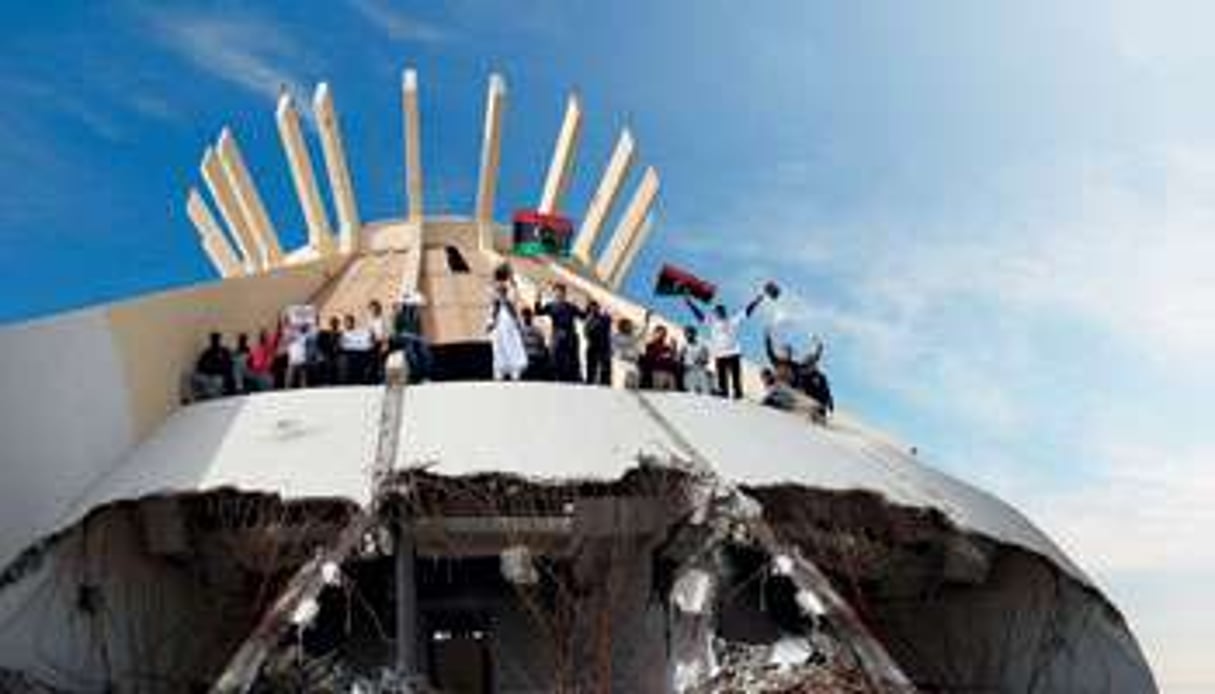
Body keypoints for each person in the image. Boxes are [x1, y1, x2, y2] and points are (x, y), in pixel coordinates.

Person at [684, 289, 767, 399]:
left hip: (733, 353)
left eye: (722, 312)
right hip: (720, 354)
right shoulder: (712, 323)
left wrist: (757, 300)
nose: (720, 314)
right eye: (717, 312)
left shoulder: (732, 321)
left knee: (736, 378)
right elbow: (699, 315)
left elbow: (747, 311)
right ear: (715, 314)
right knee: (722, 380)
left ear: (725, 312)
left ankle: (738, 394)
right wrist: (690, 304)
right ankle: (724, 395)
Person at [534, 282, 585, 383]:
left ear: (564, 294)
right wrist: (538, 298)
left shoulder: (570, 306)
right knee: (555, 358)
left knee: (570, 361)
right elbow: (538, 312)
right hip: (557, 336)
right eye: (557, 293)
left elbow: (583, 316)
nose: (559, 295)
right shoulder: (551, 306)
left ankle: (571, 379)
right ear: (554, 293)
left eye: (561, 293)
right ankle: (555, 378)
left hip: (569, 337)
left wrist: (583, 304)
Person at [488, 263, 528, 381]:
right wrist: (490, 322)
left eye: (502, 289)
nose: (500, 289)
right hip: (499, 324)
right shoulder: (494, 297)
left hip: (510, 323)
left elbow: (514, 294)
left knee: (512, 345)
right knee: (498, 346)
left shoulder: (510, 296)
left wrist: (511, 277)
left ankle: (515, 370)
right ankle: (500, 370)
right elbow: (492, 309)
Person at [392, 292, 432, 384]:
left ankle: (425, 375)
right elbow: (397, 332)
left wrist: (421, 338)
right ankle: (415, 376)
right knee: (411, 352)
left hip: (416, 338)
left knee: (425, 352)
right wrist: (406, 335)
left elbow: (419, 331)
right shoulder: (400, 315)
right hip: (404, 339)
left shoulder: (417, 315)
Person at [611, 310, 652, 389]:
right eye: (628, 325)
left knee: (635, 376)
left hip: (632, 362)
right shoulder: (617, 337)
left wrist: (647, 320)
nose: (630, 327)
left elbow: (642, 333)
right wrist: (624, 353)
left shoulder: (632, 337)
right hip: (621, 362)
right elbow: (616, 349)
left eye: (630, 325)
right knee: (624, 378)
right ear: (622, 326)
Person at [192, 332, 233, 400]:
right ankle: (206, 395)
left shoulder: (224, 351)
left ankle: (213, 397)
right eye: (213, 340)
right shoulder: (207, 352)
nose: (215, 341)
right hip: (207, 375)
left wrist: (215, 367)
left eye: (216, 339)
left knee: (216, 381)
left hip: (219, 376)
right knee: (196, 377)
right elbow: (200, 365)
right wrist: (208, 368)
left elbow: (227, 366)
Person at [583, 300, 613, 386]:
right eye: (591, 308)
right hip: (593, 347)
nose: (593, 309)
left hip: (603, 348)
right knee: (591, 369)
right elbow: (586, 333)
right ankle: (590, 383)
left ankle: (604, 384)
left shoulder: (604, 318)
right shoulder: (589, 320)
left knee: (605, 370)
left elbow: (608, 325)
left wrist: (606, 314)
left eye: (595, 307)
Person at [339, 314, 374, 384]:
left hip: (360, 355)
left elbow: (367, 342)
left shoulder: (359, 332)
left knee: (359, 372)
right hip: (349, 356)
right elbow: (342, 345)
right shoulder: (343, 334)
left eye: (349, 322)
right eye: (346, 322)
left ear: (353, 322)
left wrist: (370, 339)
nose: (348, 324)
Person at [518, 307, 551, 381]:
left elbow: (542, 344)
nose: (526, 318)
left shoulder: (537, 331)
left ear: (531, 317)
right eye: (524, 316)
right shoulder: (519, 331)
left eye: (528, 315)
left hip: (535, 358)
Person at [679, 325, 713, 395]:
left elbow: (706, 359)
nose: (688, 335)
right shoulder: (684, 346)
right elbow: (680, 358)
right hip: (688, 369)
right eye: (686, 334)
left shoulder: (701, 346)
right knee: (691, 387)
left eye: (690, 333)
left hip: (699, 368)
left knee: (704, 381)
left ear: (694, 334)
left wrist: (701, 360)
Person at [644, 325, 679, 390]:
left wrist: (674, 347)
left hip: (668, 373)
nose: (662, 336)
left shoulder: (667, 347)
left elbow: (672, 357)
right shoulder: (650, 345)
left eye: (664, 334)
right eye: (660, 333)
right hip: (657, 372)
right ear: (655, 333)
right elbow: (649, 358)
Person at [315, 316, 342, 386]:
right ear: (330, 324)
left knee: (336, 370)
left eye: (336, 323)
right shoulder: (324, 333)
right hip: (326, 355)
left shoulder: (340, 334)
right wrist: (323, 353)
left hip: (336, 356)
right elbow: (319, 344)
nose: (334, 325)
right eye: (333, 323)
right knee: (327, 370)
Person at [285, 322, 312, 389]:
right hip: (292, 362)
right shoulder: (290, 336)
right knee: (290, 381)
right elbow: (287, 331)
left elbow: (309, 329)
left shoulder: (304, 336)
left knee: (302, 381)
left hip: (301, 361)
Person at [367, 300, 388, 384]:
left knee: (382, 361)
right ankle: (374, 379)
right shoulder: (370, 320)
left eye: (375, 309)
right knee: (373, 360)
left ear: (379, 309)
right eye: (371, 309)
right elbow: (370, 332)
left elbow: (387, 332)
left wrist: (385, 343)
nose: (373, 311)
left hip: (383, 341)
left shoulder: (383, 319)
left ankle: (383, 379)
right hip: (374, 342)